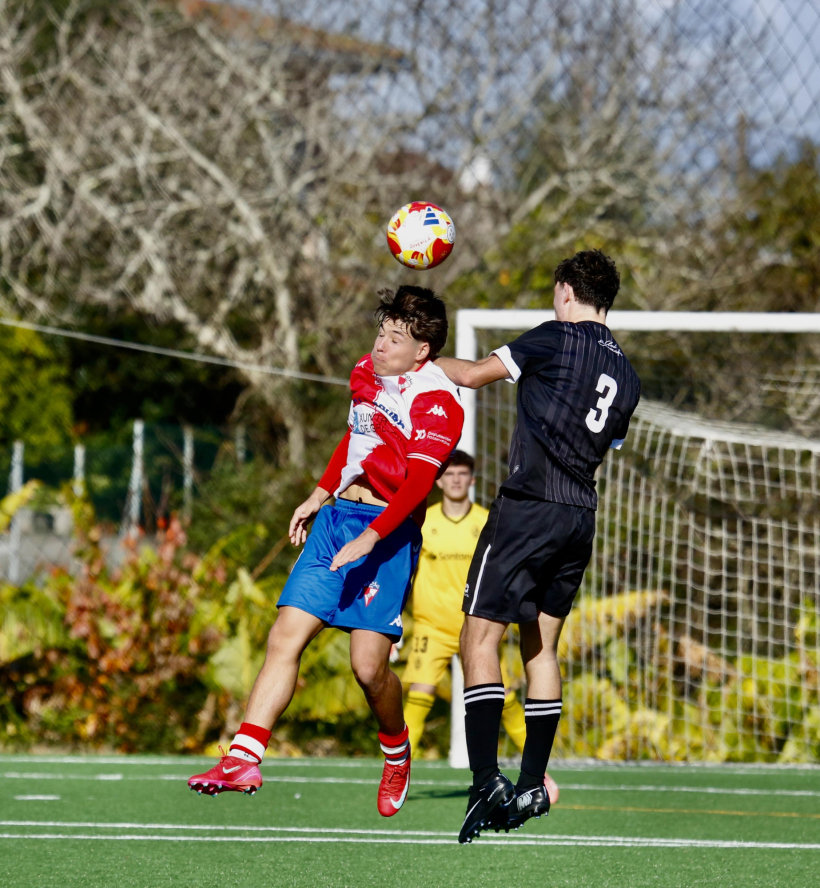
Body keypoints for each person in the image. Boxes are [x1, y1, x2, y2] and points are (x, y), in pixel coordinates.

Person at [188, 285, 464, 817]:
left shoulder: (438, 403)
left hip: (387, 533)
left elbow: (417, 485)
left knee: (367, 669)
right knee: (285, 635)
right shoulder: (367, 371)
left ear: (423, 351)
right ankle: (244, 755)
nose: (381, 344)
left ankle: (396, 748)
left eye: (396, 338)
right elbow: (355, 440)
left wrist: (371, 536)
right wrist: (318, 494)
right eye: (381, 332)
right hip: (337, 521)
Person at [434, 250, 641, 843]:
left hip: (530, 507)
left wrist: (418, 365)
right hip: (581, 515)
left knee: (478, 635)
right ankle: (530, 783)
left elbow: (472, 375)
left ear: (566, 290)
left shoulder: (556, 336)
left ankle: (482, 784)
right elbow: (610, 437)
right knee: (541, 645)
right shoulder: (627, 373)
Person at [401, 450, 559, 805]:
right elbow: (406, 571)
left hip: (480, 627)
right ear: (439, 480)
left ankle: (538, 771)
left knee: (504, 699)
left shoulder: (489, 521)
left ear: (471, 480)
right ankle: (398, 772)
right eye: (449, 474)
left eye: (462, 474)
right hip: (432, 627)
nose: (455, 479)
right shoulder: (423, 521)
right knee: (420, 693)